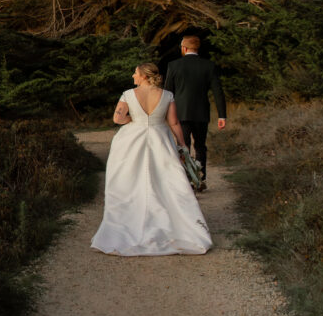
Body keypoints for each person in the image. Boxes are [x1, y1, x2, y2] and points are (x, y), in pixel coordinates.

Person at [91, 63, 212, 256]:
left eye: (136, 73)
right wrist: (183, 145)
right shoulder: (167, 95)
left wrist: (134, 120)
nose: (133, 76)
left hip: (131, 141)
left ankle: (130, 222)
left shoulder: (128, 94)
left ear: (144, 76)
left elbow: (117, 119)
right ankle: (172, 225)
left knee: (130, 182)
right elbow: (173, 122)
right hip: (160, 139)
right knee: (165, 182)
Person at [163, 35, 226, 184]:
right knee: (200, 145)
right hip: (201, 112)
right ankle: (201, 177)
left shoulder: (174, 65)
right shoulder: (208, 65)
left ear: (184, 49)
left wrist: (163, 114)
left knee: (183, 146)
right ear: (197, 48)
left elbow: (168, 92)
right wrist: (222, 115)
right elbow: (218, 91)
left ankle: (186, 179)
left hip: (180, 113)